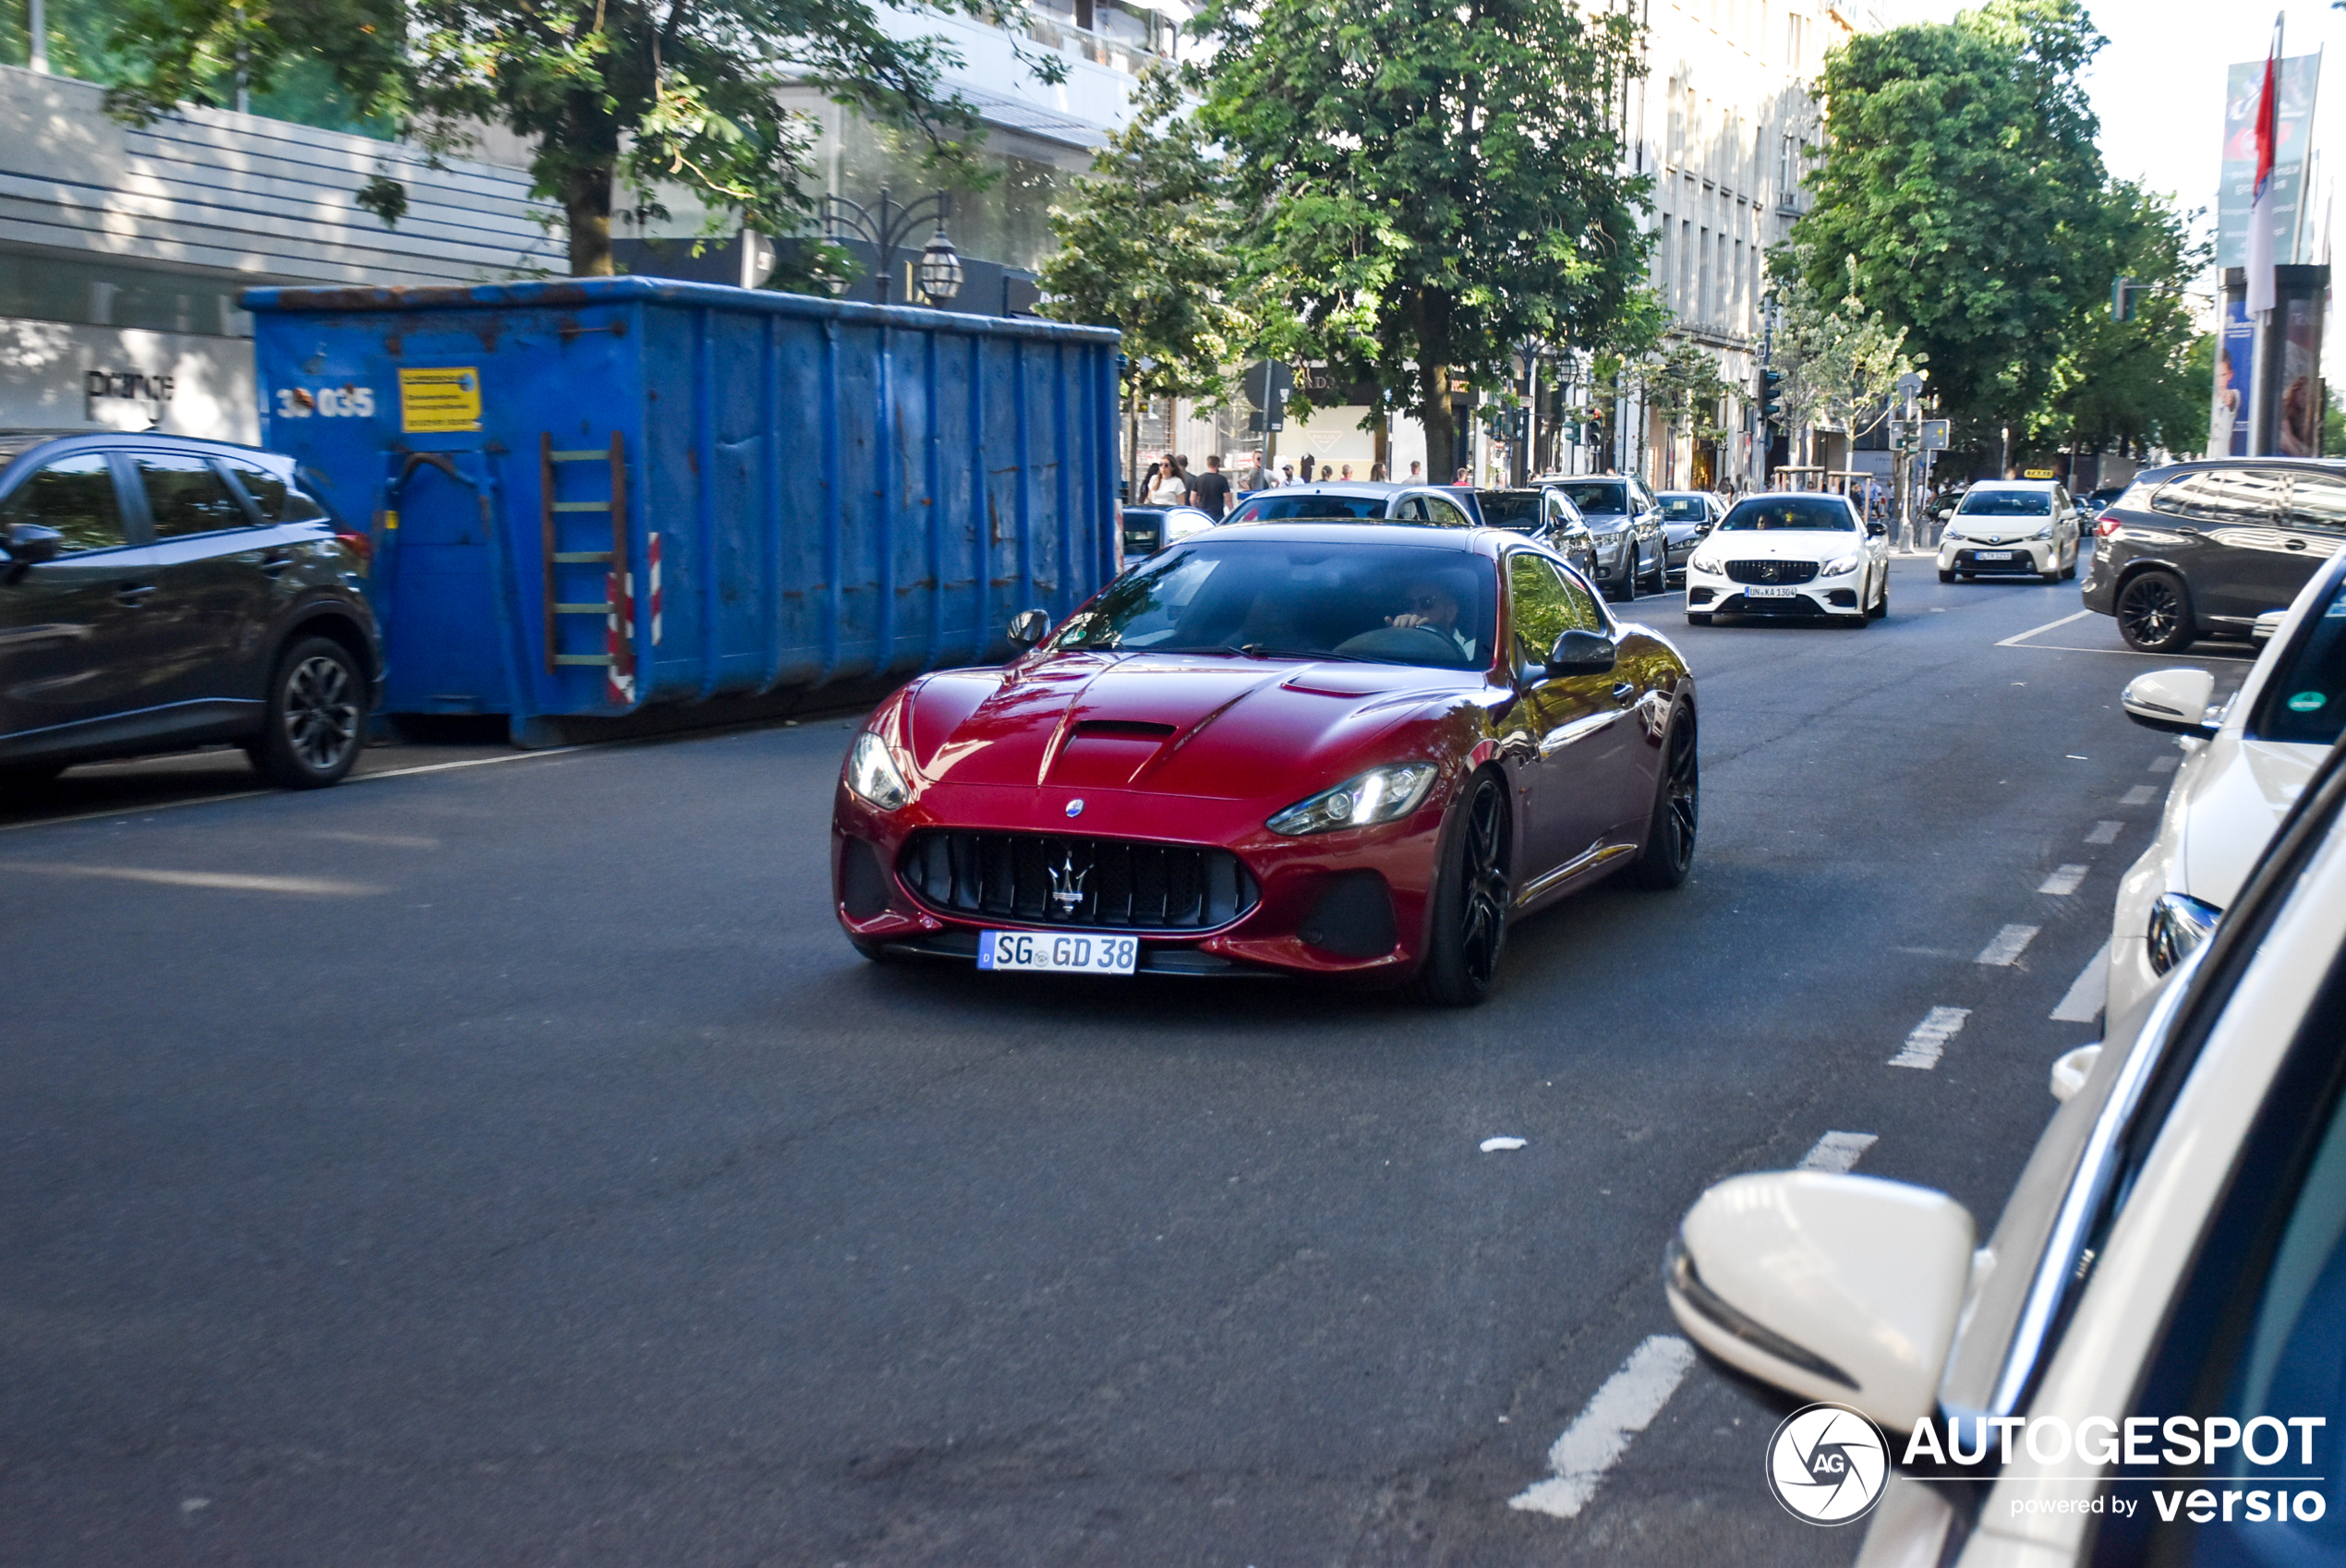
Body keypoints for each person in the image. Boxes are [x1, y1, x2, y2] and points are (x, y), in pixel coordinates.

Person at [1385, 579, 1475, 662]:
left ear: (1451, 611)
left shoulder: (1471, 651)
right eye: (1410, 603)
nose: (1415, 611)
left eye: (1427, 602)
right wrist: (1392, 639)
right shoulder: (1399, 647)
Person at [1191, 453, 1233, 519]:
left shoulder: (1199, 479)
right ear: (1218, 465)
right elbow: (1228, 499)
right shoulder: (1222, 479)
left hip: (1203, 515)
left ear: (1208, 464)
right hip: (1218, 515)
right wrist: (1232, 512)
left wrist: (1197, 510)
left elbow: (1192, 499)